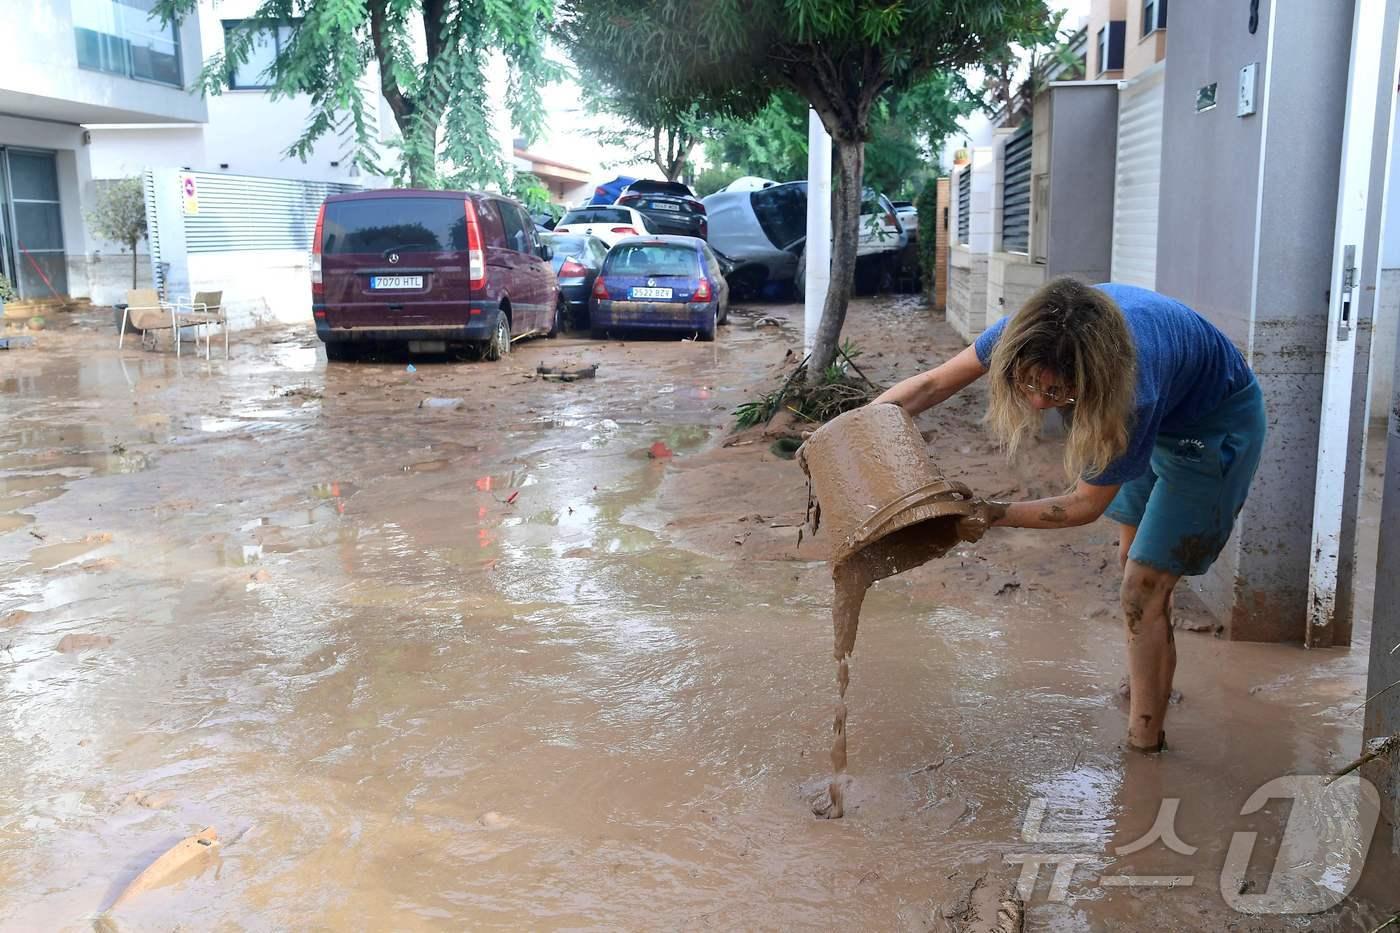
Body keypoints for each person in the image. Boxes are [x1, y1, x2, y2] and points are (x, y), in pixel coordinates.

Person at [874, 276, 1266, 752]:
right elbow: (931, 384)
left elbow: (1082, 505)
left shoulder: (1129, 395)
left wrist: (986, 513)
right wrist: (849, 433)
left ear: (1089, 376)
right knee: (1130, 558)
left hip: (1212, 424)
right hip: (1164, 401)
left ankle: (1146, 742)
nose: (1039, 403)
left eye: (1057, 390)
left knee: (1143, 586)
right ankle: (1148, 678)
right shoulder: (1026, 333)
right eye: (1029, 384)